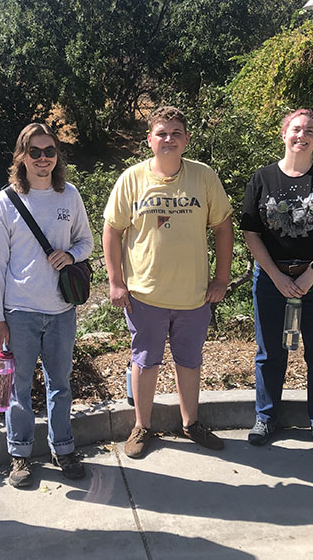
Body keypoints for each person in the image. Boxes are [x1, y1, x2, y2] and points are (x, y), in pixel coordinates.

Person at [103, 106, 234, 459]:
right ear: (149, 140)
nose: (169, 139)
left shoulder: (204, 177)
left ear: (187, 139)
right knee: (145, 361)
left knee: (189, 361)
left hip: (194, 295)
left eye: (176, 133)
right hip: (145, 294)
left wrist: (221, 278)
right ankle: (141, 426)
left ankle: (190, 423)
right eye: (161, 133)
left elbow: (223, 227)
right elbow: (112, 231)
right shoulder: (131, 179)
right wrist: (115, 281)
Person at [0, 122, 93, 488]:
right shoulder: (5, 202)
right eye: (35, 152)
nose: (43, 159)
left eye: (49, 151)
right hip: (20, 311)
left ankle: (62, 447)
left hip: (62, 310)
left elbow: (86, 243)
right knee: (18, 386)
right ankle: (19, 454)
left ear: (57, 156)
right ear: (21, 156)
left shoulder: (70, 196)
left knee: (60, 384)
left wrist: (70, 255)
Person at [240, 108, 313, 455]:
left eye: (309, 131)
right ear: (283, 133)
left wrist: (311, 272)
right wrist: (275, 276)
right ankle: (266, 417)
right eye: (296, 129)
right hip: (272, 277)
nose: (301, 136)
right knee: (270, 353)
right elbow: (250, 233)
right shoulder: (262, 179)